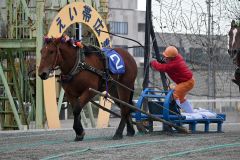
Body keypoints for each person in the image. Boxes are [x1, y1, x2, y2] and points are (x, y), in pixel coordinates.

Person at [150, 46, 195, 113]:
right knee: (181, 99)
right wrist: (165, 61)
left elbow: (161, 67)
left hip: (187, 82)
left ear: (172, 58)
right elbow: (166, 63)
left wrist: (152, 63)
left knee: (175, 95)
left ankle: (176, 113)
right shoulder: (176, 57)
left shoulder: (173, 64)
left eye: (167, 58)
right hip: (186, 82)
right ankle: (190, 112)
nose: (165, 58)